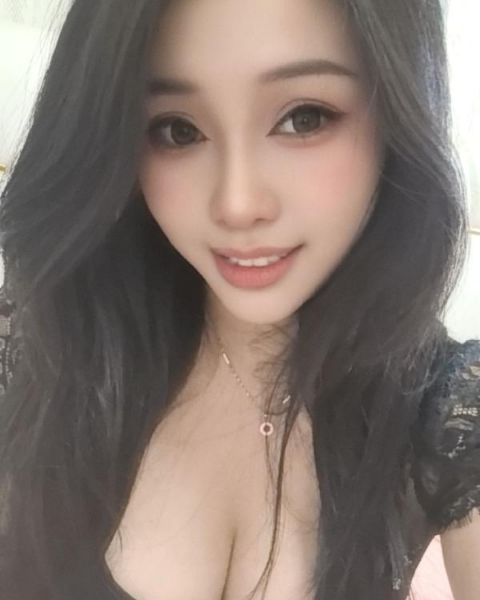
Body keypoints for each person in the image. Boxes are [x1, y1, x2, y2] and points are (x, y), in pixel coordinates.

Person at [0, 0, 479, 599]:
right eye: (178, 130)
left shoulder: (449, 410)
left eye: (304, 118)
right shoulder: (44, 338)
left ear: (399, 116)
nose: (236, 203)